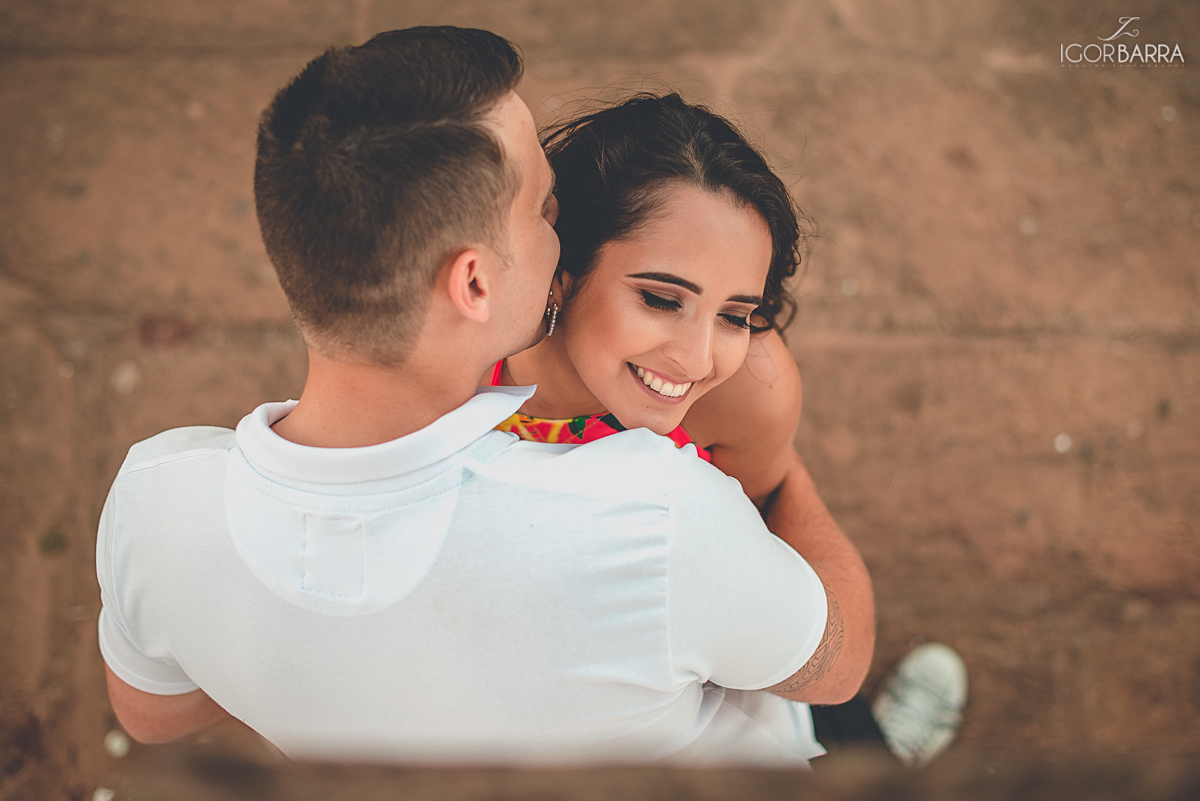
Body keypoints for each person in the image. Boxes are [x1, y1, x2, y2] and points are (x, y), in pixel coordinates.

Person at [96, 27, 873, 766]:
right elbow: (835, 664)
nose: (559, 229)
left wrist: (321, 666)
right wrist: (787, 477)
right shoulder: (655, 512)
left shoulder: (153, 502)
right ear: (473, 280)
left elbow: (151, 712)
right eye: (544, 208)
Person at [487, 93, 967, 766]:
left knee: (844, 747)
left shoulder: (747, 393)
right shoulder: (460, 356)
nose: (697, 358)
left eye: (735, 313)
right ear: (565, 268)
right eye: (660, 298)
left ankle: (874, 750)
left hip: (719, 692)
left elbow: (766, 508)